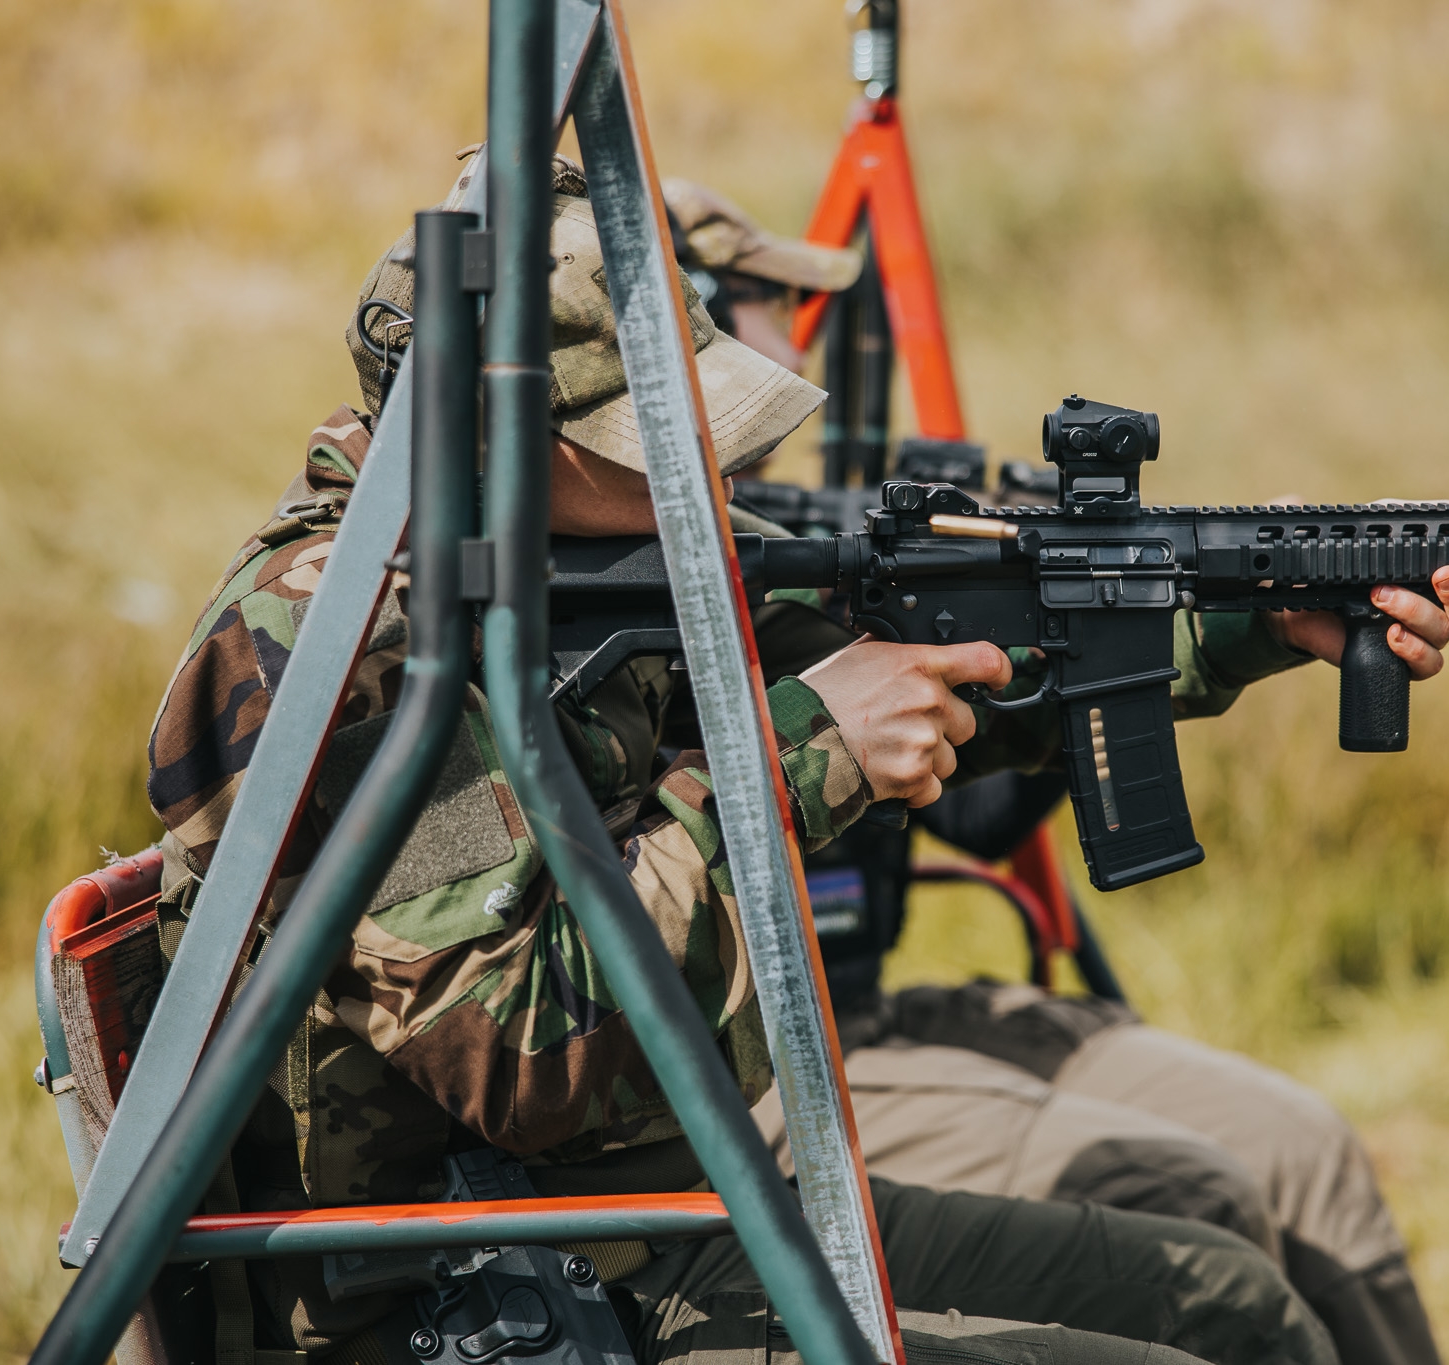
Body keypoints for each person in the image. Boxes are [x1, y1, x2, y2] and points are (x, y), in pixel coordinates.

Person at [151, 153, 1341, 1365]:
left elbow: (950, 661)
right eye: (651, 436)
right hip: (465, 1295)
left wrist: (1255, 618)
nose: (710, 472)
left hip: (643, 1220)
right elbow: (521, 1058)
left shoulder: (596, 548)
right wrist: (809, 752)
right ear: (503, 435)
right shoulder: (328, 651)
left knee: (1224, 1302)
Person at [659, 179, 1449, 1365]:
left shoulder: (743, 543)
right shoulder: (591, 582)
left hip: (829, 1019)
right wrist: (815, 745)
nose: (787, 338)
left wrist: (1247, 617)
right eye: (759, 303)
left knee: (1300, 1156)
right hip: (728, 1077)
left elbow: (978, 724)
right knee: (1196, 1205)